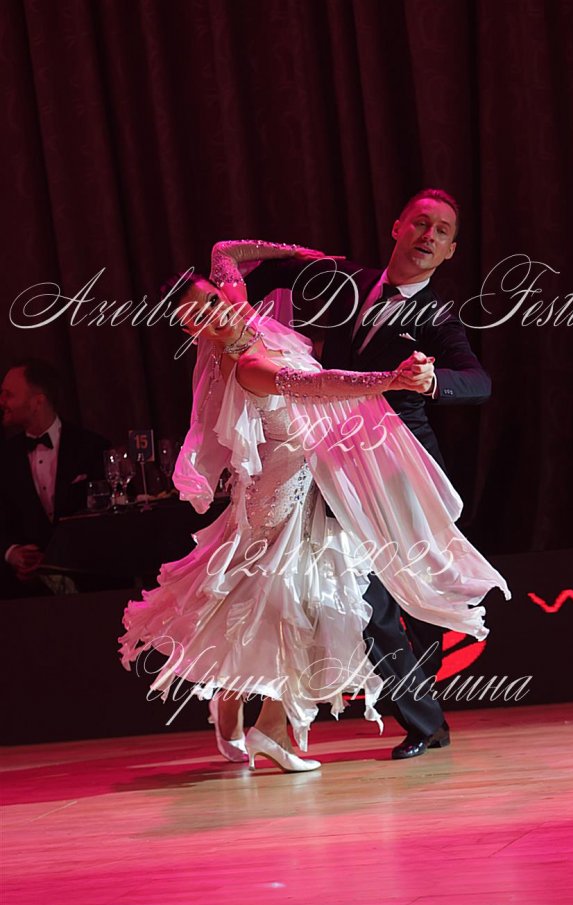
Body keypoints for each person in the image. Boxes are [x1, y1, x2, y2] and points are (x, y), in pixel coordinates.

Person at [120, 240, 508, 774]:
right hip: (281, 505)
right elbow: (318, 385)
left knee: (283, 606)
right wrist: (389, 379)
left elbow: (226, 250)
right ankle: (266, 724)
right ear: (190, 331)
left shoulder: (245, 313)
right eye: (199, 315)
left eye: (213, 298)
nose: (216, 311)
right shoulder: (248, 362)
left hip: (322, 484)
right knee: (290, 607)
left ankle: (242, 711)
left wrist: (298, 254)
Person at [244, 189, 490, 758]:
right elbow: (275, 272)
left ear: (450, 251)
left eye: (442, 232)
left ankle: (425, 714)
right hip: (334, 463)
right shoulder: (349, 283)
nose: (428, 236)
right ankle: (424, 721)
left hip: (399, 468)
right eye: (421, 223)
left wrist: (433, 381)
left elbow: (478, 381)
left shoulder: (437, 318)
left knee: (416, 597)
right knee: (363, 594)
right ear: (397, 227)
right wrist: (234, 303)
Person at [0, 359, 109, 597]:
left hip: (92, 586)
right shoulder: (5, 457)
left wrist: (56, 560)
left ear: (37, 401)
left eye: (8, 395)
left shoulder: (92, 447)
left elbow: (107, 521)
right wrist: (12, 552)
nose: (2, 402)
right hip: (25, 595)